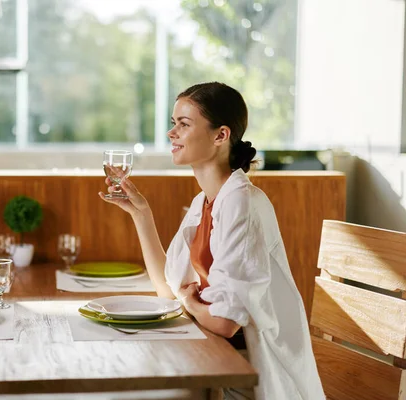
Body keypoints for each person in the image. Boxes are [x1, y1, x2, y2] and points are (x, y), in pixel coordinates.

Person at [99, 82, 325, 400]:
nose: (171, 133)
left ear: (221, 135)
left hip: (248, 378)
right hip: (217, 360)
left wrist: (190, 304)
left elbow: (224, 322)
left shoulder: (239, 202)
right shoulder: (206, 201)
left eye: (184, 124)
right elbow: (169, 289)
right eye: (173, 122)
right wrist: (141, 215)